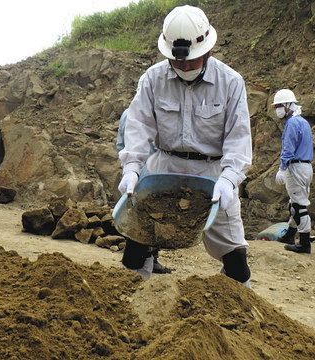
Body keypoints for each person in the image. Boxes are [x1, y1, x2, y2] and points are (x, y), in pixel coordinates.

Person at [118, 5, 253, 286]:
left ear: (208, 50)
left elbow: (238, 138)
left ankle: (243, 317)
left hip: (212, 174)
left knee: (237, 261)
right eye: (178, 63)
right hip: (163, 170)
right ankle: (127, 309)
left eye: (192, 61)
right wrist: (131, 168)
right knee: (136, 249)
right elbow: (138, 126)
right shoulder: (152, 80)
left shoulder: (230, 83)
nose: (185, 67)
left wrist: (229, 180)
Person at [116, 108, 172, 275]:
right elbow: (126, 146)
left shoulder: (157, 115)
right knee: (140, 228)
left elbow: (120, 145)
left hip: (150, 176)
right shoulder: (132, 115)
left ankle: (150, 259)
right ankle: (137, 268)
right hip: (142, 177)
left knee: (150, 225)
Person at [273, 89, 314, 253]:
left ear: (288, 105)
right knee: (295, 203)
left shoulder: (291, 124)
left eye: (279, 106)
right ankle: (290, 234)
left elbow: (288, 149)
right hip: (306, 167)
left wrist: (282, 169)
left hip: (295, 167)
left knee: (299, 207)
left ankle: (304, 243)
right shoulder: (303, 122)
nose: (277, 109)